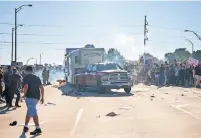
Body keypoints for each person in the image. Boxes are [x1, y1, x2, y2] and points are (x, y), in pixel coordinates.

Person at [22, 66, 44, 135]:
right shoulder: (37, 77)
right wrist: (42, 97)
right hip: (36, 97)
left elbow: (26, 86)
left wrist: (24, 95)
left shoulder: (26, 77)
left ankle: (38, 128)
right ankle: (25, 126)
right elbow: (42, 87)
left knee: (32, 112)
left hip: (30, 97)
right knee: (31, 110)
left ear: (26, 71)